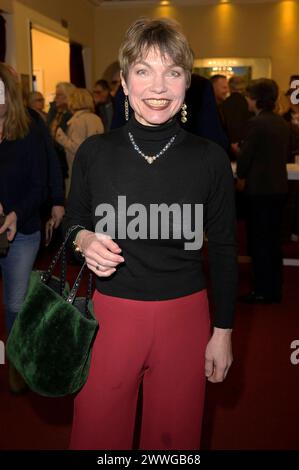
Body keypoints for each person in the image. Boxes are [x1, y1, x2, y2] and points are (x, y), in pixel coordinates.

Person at [64, 18, 237, 450]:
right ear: (124, 81)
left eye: (172, 72)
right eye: (143, 70)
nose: (158, 86)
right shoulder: (95, 153)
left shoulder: (209, 159)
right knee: (97, 437)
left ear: (186, 83)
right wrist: (84, 241)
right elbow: (69, 228)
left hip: (186, 319)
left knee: (173, 444)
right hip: (109, 316)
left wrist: (223, 331)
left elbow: (224, 250)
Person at [0, 62, 48, 392]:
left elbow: (39, 184)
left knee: (15, 304)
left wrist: (16, 212)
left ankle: (16, 365)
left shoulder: (29, 127)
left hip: (22, 229)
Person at [236, 79, 289, 304]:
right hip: (279, 188)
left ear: (256, 98)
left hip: (260, 190)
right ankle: (273, 289)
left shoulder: (256, 124)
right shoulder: (281, 123)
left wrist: (240, 175)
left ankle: (261, 291)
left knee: (259, 243)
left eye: (248, 96)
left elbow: (246, 158)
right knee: (273, 242)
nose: (247, 101)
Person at [55, 88, 104, 197]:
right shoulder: (96, 118)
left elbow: (78, 148)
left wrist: (60, 137)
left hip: (79, 170)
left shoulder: (78, 121)